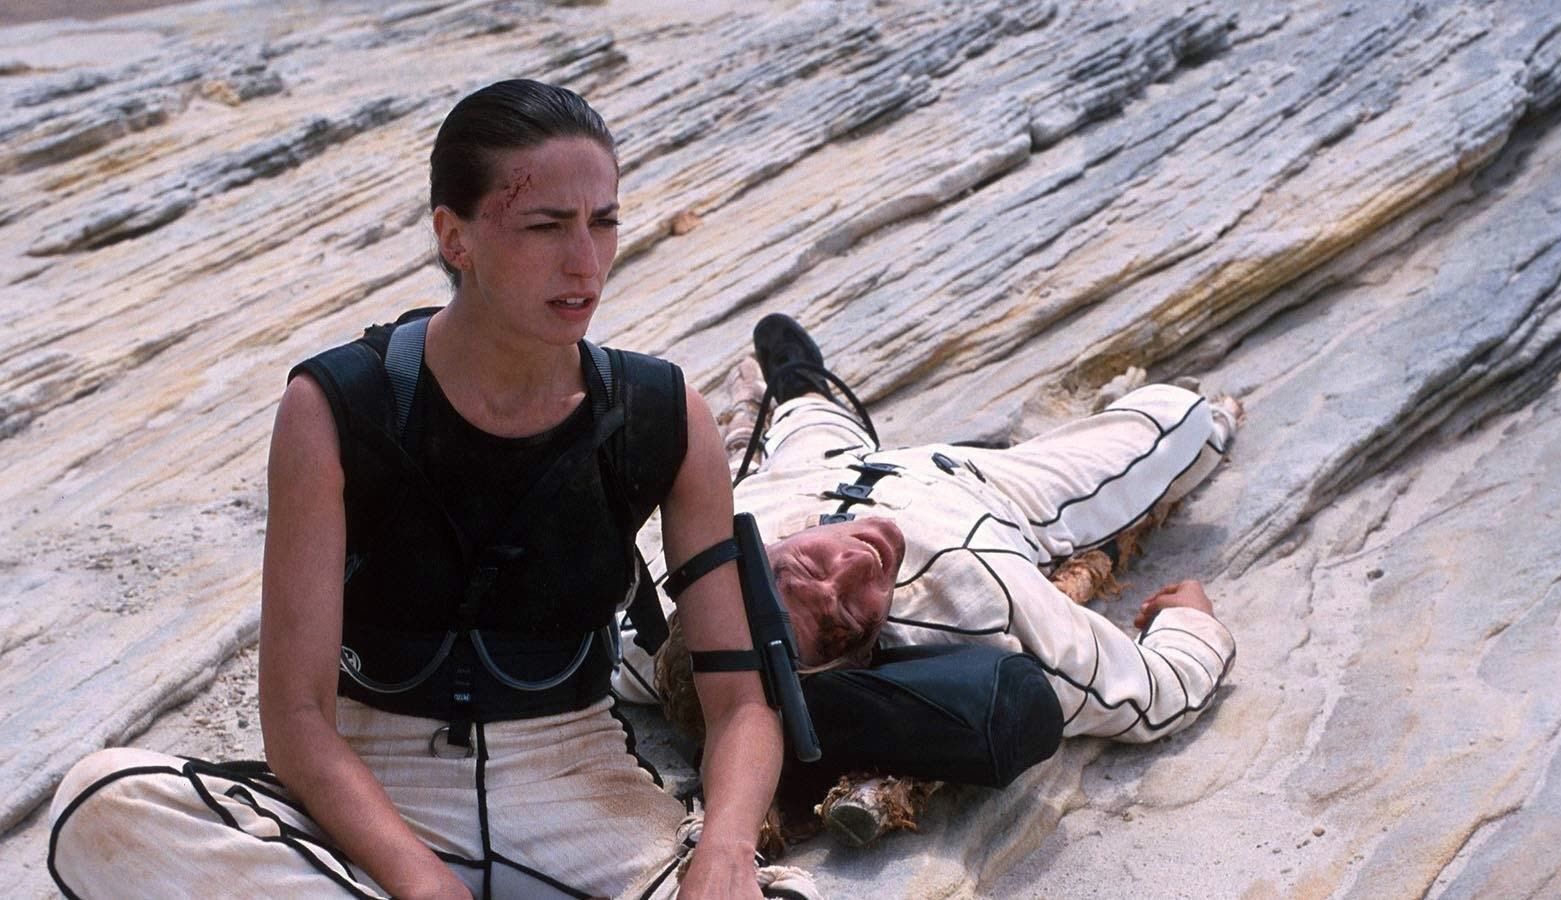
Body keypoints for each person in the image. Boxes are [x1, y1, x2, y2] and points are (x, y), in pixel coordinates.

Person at [47, 80, 806, 900]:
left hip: (581, 790)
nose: (585, 262)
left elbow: (740, 702)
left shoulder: (662, 414)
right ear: (454, 236)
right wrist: (422, 884)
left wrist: (725, 849)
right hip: (372, 796)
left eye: (604, 222)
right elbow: (297, 722)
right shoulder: (337, 409)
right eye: (545, 226)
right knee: (101, 801)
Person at [616, 315, 1238, 830]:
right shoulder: (977, 598)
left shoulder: (659, 617)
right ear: (858, 662)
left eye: (804, 569)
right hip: (977, 489)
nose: (856, 565)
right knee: (1183, 417)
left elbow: (617, 655)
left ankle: (799, 390)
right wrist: (1191, 624)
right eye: (844, 621)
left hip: (796, 475)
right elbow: (1149, 694)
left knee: (809, 423)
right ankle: (799, 402)